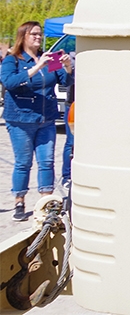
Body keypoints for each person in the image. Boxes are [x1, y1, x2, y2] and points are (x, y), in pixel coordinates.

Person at [1, 22, 72, 221]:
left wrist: (66, 66)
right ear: (23, 36)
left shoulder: (51, 57)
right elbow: (9, 83)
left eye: (40, 34)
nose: (38, 38)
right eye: (34, 34)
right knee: (23, 162)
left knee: (47, 162)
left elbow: (65, 82)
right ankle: (19, 201)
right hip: (21, 119)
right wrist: (36, 68)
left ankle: (46, 202)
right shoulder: (12, 60)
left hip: (46, 119)